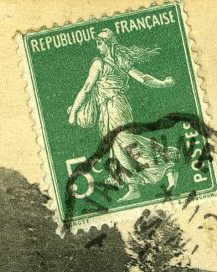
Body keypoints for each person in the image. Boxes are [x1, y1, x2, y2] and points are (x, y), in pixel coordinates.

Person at [67, 29, 179, 202]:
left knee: (126, 143)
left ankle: (167, 166)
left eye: (100, 43)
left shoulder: (99, 64)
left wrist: (74, 112)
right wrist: (162, 83)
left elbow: (86, 88)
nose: (97, 47)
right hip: (110, 108)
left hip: (115, 107)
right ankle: (133, 187)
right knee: (117, 147)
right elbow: (143, 78)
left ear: (108, 44)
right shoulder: (120, 60)